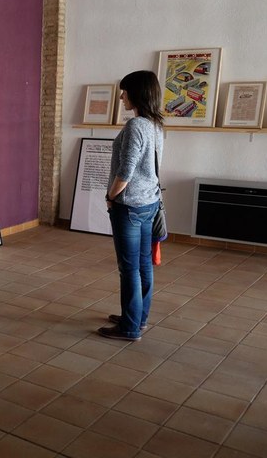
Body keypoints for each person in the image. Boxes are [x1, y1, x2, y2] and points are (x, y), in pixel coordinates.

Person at [99, 70, 164, 342]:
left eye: (124, 91)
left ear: (137, 93)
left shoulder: (136, 125)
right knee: (143, 264)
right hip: (149, 202)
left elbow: (126, 170)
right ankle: (138, 318)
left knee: (129, 268)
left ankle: (129, 328)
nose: (121, 97)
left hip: (129, 207)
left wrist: (111, 196)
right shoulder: (155, 124)